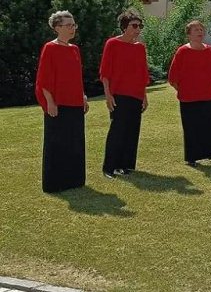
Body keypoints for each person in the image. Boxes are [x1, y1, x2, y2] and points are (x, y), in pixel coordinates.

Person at [35, 11, 90, 193]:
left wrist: (82, 96)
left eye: (74, 25)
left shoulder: (74, 49)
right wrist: (50, 102)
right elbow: (44, 77)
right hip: (58, 103)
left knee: (74, 142)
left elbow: (76, 77)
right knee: (56, 142)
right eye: (69, 25)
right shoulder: (50, 48)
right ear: (57, 28)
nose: (73, 28)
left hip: (75, 103)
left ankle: (74, 180)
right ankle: (55, 183)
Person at [168, 20, 211, 167]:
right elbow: (173, 77)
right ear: (189, 34)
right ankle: (192, 158)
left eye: (201, 29)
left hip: (210, 96)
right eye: (196, 30)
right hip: (189, 98)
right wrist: (184, 90)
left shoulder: (210, 50)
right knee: (192, 127)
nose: (200, 32)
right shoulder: (182, 51)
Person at [100, 10, 150, 179]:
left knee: (132, 130)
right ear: (124, 27)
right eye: (134, 26)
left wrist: (144, 95)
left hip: (136, 95)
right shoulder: (112, 44)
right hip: (118, 94)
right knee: (118, 130)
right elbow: (105, 72)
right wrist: (108, 95)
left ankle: (126, 165)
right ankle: (109, 167)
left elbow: (143, 73)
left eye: (139, 26)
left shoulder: (140, 48)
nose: (138, 29)